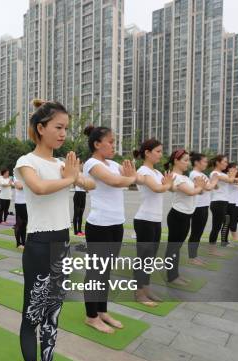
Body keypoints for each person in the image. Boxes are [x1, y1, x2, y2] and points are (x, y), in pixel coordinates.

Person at [14, 99, 93, 361]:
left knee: (53, 312)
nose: (63, 134)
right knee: (32, 314)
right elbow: (38, 188)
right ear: (41, 128)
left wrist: (76, 175)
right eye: (58, 127)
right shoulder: (26, 162)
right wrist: (70, 177)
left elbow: (90, 185)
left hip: (61, 244)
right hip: (38, 245)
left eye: (66, 129)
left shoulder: (62, 165)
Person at [82, 125, 133, 333]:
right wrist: (129, 178)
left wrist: (129, 177)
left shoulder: (112, 163)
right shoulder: (92, 163)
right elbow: (115, 181)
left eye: (114, 141)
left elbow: (128, 176)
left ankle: (102, 310)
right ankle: (91, 316)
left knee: (106, 271)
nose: (114, 145)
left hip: (116, 223)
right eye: (110, 142)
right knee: (96, 271)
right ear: (97, 144)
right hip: (99, 225)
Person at [132, 138, 174, 307]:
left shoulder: (156, 173)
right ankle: (139, 293)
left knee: (150, 258)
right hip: (144, 220)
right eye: (157, 151)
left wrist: (168, 184)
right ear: (147, 153)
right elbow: (158, 188)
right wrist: (168, 184)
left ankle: (147, 289)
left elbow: (167, 187)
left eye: (161, 151)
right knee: (143, 258)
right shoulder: (143, 171)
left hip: (155, 220)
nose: (160, 154)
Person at [163, 149, 206, 285]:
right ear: (176, 161)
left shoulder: (185, 177)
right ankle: (172, 276)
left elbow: (199, 191)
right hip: (178, 216)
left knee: (177, 247)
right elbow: (191, 192)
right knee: (173, 248)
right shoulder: (174, 176)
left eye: (188, 160)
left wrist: (199, 187)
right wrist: (199, 187)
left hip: (186, 216)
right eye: (185, 160)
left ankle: (175, 274)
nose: (188, 163)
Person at [187, 152, 217, 265]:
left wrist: (213, 183)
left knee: (198, 232)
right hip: (198, 207)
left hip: (203, 206)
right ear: (196, 162)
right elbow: (208, 187)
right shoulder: (195, 174)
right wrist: (214, 180)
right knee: (196, 232)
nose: (206, 163)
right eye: (204, 161)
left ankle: (194, 256)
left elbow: (209, 187)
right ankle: (192, 257)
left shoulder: (201, 174)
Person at [208, 155, 237, 251]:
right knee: (216, 227)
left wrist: (234, 176)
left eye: (226, 162)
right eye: (224, 161)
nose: (226, 163)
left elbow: (234, 180)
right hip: (218, 202)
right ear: (217, 162)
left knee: (225, 221)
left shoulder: (221, 174)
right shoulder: (215, 173)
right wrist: (233, 173)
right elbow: (230, 180)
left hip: (223, 202)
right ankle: (212, 248)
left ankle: (224, 242)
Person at [12, 175, 27, 249]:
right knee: (19, 224)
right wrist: (30, 182)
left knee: (24, 224)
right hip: (19, 203)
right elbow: (19, 186)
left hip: (28, 203)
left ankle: (24, 242)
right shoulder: (16, 176)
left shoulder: (27, 176)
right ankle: (18, 243)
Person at [72, 166, 87, 236]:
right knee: (76, 213)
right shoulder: (76, 173)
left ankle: (80, 230)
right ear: (80, 164)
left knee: (81, 213)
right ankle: (76, 231)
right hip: (78, 193)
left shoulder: (85, 174)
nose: (83, 166)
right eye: (82, 164)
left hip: (83, 194)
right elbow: (74, 183)